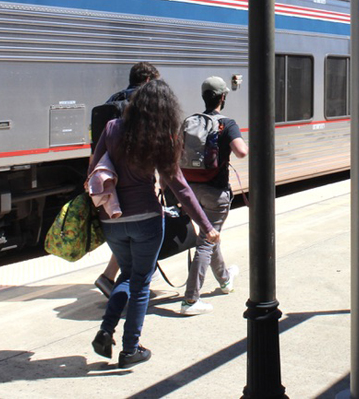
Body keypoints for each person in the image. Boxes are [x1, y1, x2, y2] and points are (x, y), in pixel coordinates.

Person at [89, 80, 219, 368]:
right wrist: (206, 225)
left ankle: (105, 330)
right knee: (141, 284)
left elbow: (93, 171)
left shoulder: (111, 128)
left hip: (112, 220)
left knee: (127, 274)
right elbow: (180, 187)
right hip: (147, 219)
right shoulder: (161, 137)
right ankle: (130, 349)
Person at [180, 76, 248, 315]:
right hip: (215, 192)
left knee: (209, 232)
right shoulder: (227, 123)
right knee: (206, 241)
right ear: (223, 97)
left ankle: (225, 279)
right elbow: (241, 152)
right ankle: (190, 300)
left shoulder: (190, 121)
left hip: (189, 191)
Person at [94, 62, 161, 298]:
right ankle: (133, 284)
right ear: (147, 81)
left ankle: (110, 278)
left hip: (112, 181)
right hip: (137, 181)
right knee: (144, 233)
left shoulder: (113, 99)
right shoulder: (146, 104)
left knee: (126, 231)